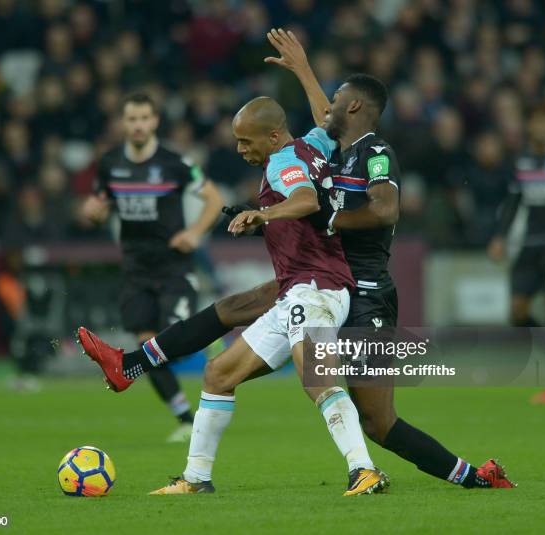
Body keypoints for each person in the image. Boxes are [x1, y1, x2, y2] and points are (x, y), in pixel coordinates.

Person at [79, 30, 514, 490]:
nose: (329, 107)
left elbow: (375, 208)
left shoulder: (373, 153)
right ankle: (148, 395)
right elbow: (319, 125)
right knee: (228, 338)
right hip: (317, 276)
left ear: (353, 107)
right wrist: (303, 68)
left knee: (374, 417)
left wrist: (302, 216)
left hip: (361, 290)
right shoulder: (326, 148)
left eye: (339, 98)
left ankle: (383, 471)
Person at [81, 95, 389, 496]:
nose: (240, 149)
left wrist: (264, 214)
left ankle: (364, 470)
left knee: (318, 379)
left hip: (316, 288)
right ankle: (195, 478)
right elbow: (329, 123)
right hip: (300, 287)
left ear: (274, 136)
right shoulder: (312, 144)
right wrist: (301, 68)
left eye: (246, 141)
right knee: (219, 373)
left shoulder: (282, 162)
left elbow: (305, 200)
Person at [82, 91, 224, 442]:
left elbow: (215, 198)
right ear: (123, 124)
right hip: (135, 269)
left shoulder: (175, 163)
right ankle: (186, 419)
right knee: (148, 347)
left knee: (168, 344)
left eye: (144, 118)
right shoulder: (110, 164)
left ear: (155, 121)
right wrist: (93, 212)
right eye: (131, 119)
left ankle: (206, 340)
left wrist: (195, 232)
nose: (138, 125)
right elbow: (98, 204)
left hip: (174, 267)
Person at [488, 106, 545, 404]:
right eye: (535, 122)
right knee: (517, 312)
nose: (539, 128)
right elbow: (514, 201)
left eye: (544, 123)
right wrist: (500, 237)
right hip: (530, 244)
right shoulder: (523, 161)